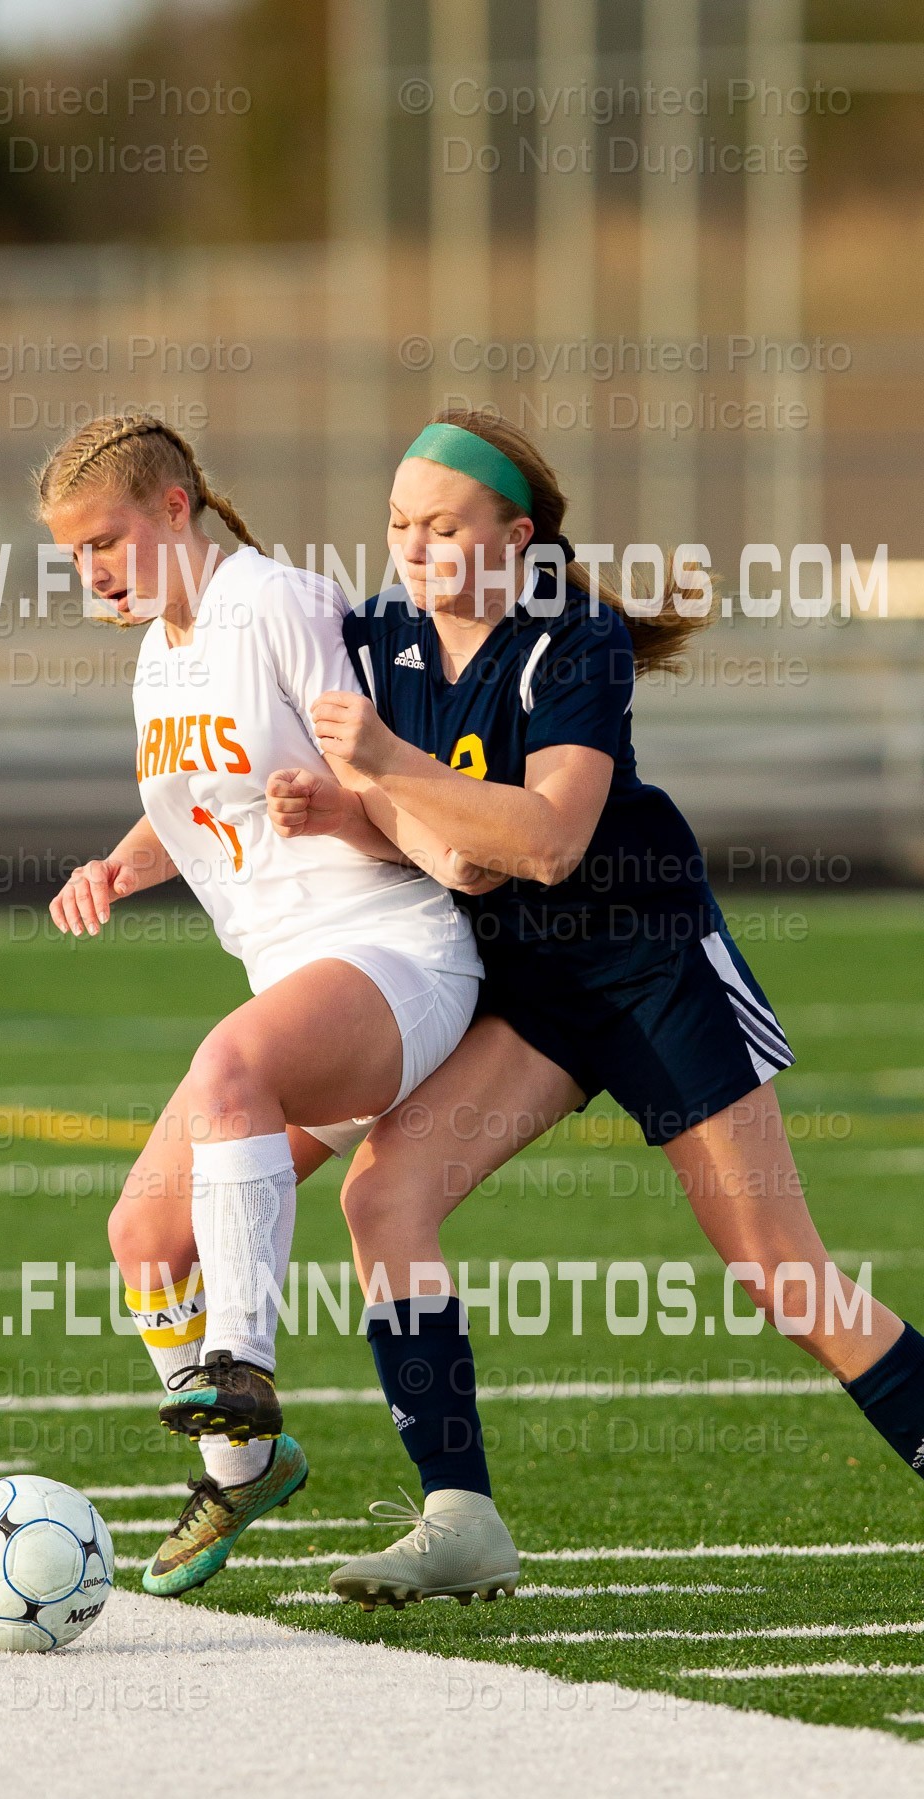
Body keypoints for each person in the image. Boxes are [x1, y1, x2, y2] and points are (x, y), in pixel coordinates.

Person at [267, 406, 920, 1611]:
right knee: (386, 1192)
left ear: (516, 538)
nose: (414, 547)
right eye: (400, 522)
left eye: (445, 525)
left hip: (648, 965)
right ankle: (460, 1516)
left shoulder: (575, 640)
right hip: (527, 989)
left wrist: (387, 770)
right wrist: (338, 804)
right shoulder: (379, 634)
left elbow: (552, 839)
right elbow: (425, 834)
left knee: (784, 1275)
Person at [36, 410, 502, 1598]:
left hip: (398, 957)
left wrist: (337, 804)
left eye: (104, 541)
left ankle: (241, 1362)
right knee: (142, 1240)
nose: (91, 571)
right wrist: (118, 865)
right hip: (299, 996)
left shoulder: (279, 605)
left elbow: (392, 767)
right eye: (74, 554)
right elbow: (201, 799)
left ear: (175, 509)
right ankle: (246, 1463)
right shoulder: (161, 650)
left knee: (230, 1063)